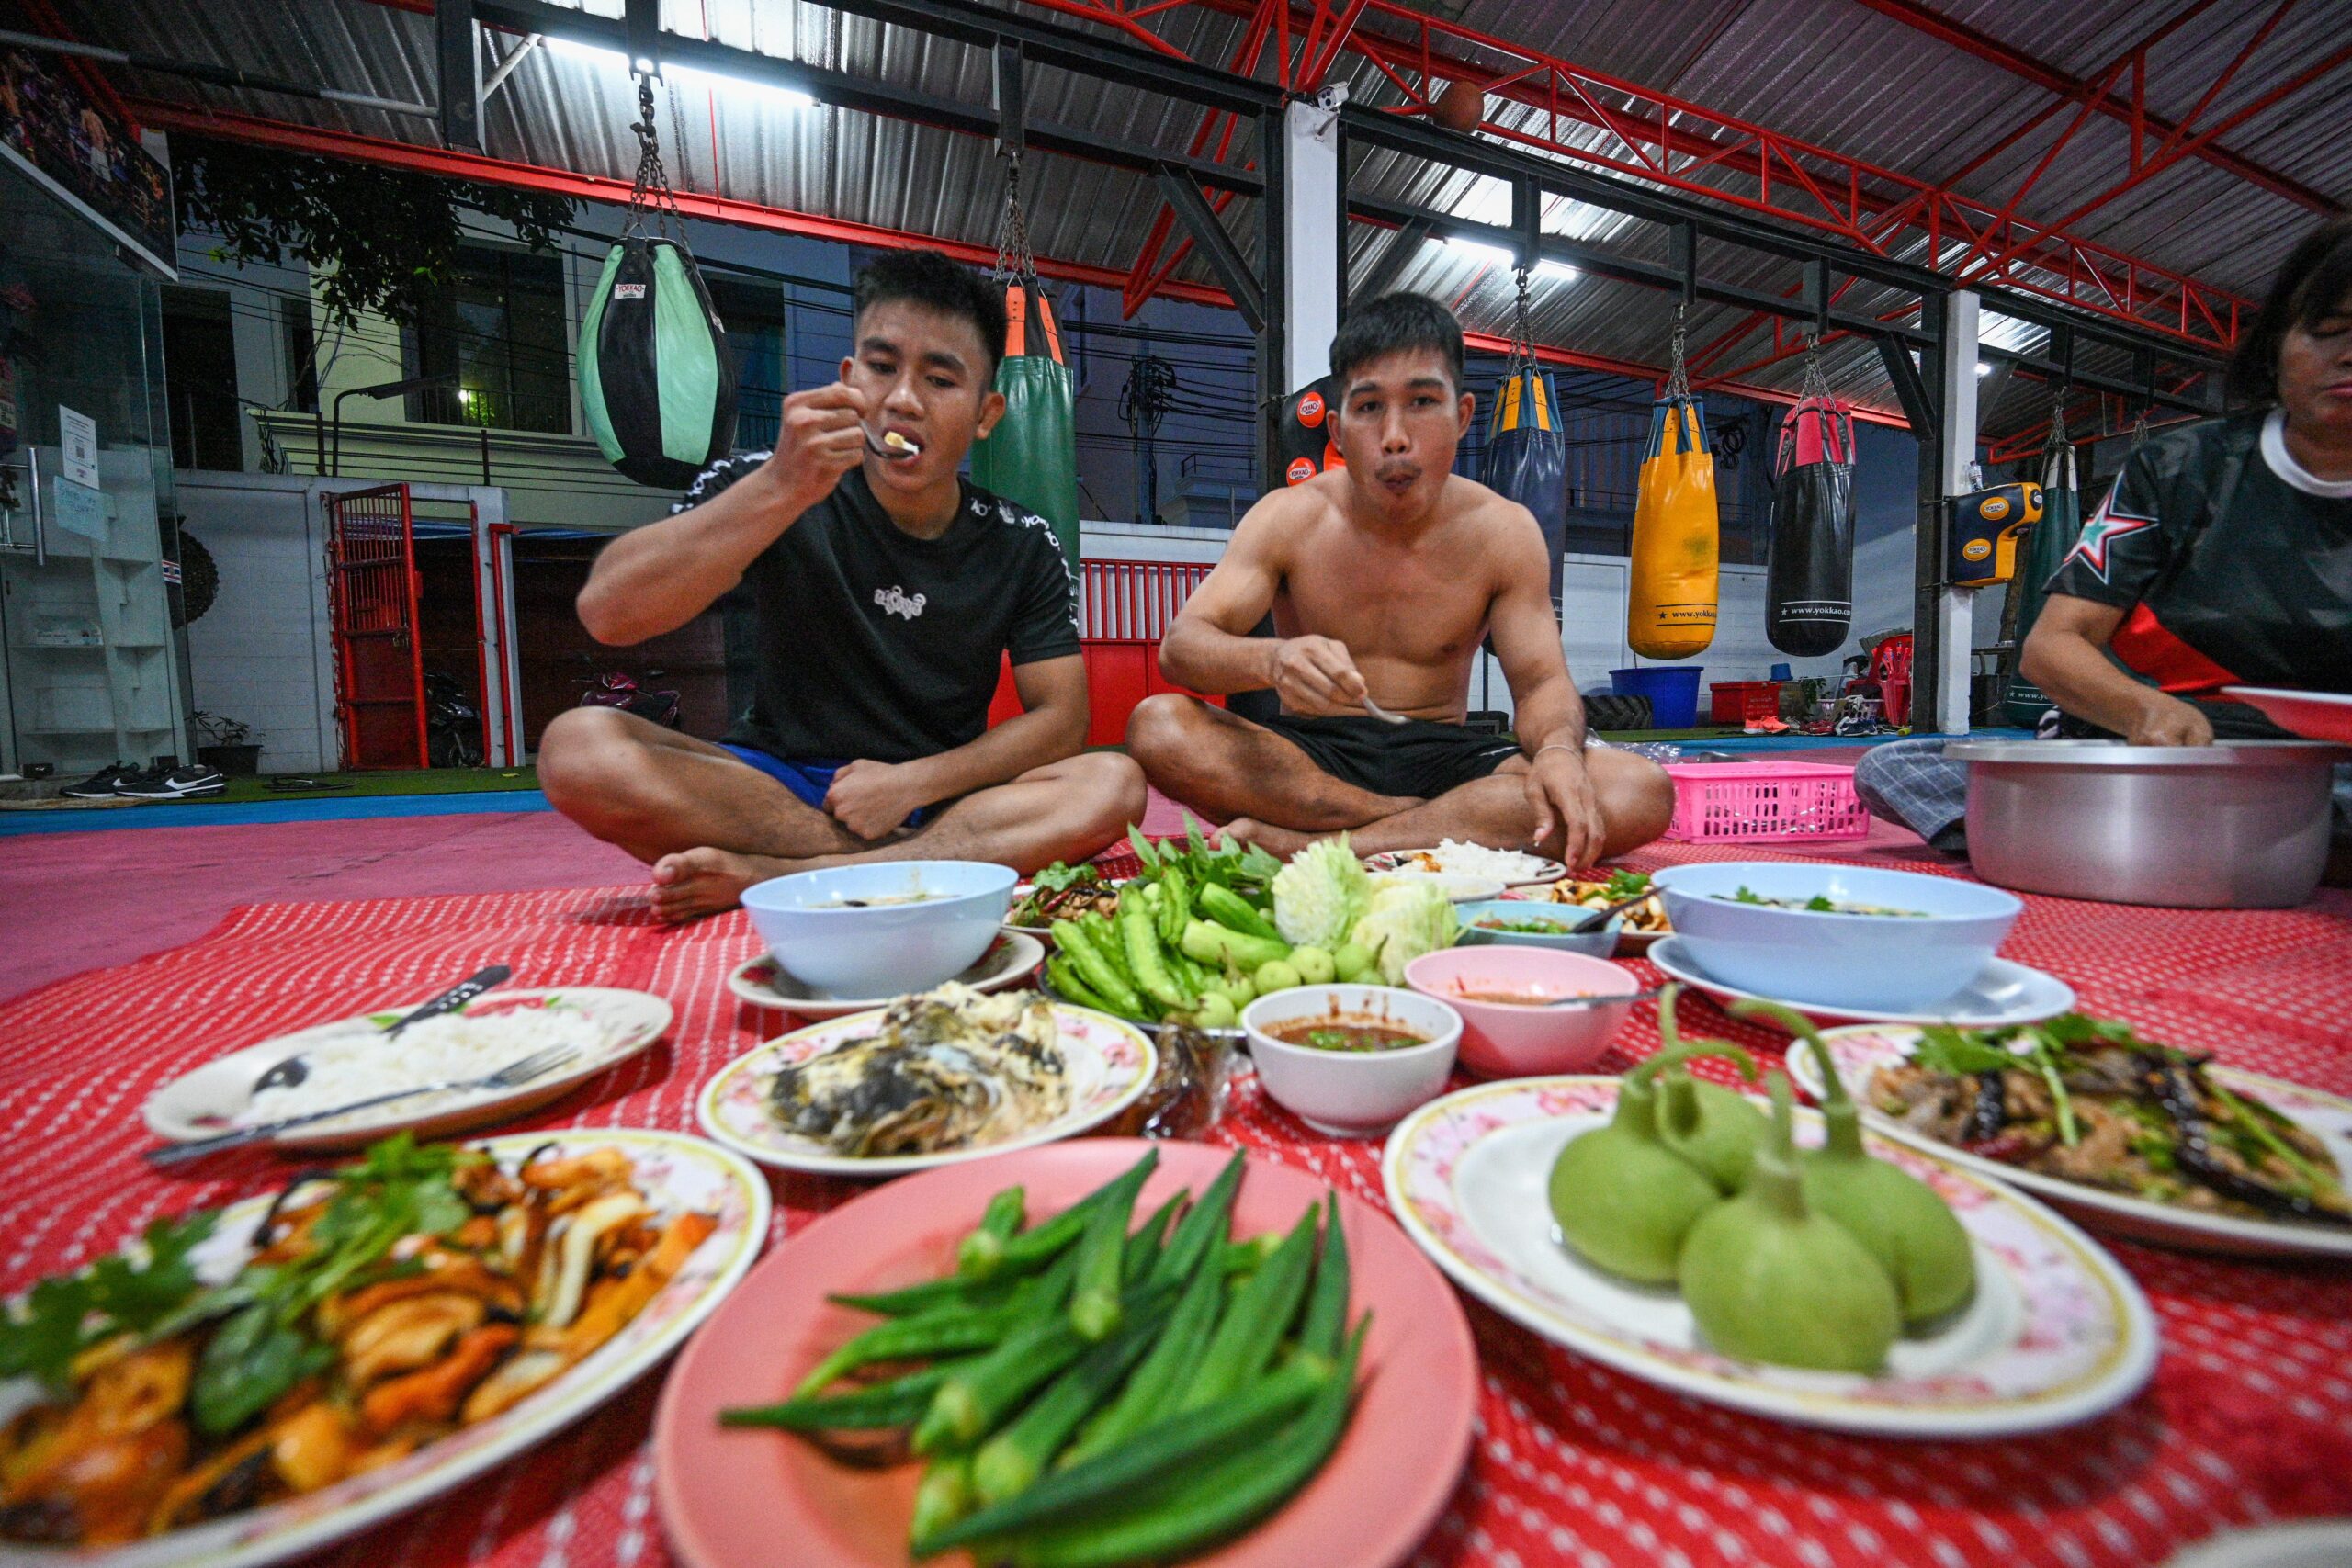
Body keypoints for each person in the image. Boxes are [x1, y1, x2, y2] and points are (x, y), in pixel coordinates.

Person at [539, 249, 1144, 921]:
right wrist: (780, 489)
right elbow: (608, 613)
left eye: (941, 380)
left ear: (986, 413)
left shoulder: (1021, 541)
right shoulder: (771, 482)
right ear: (850, 378)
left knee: (1111, 782)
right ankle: (893, 866)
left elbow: (1063, 721)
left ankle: (776, 876)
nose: (904, 399)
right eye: (883, 368)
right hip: (775, 783)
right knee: (578, 751)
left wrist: (915, 780)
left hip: (942, 792)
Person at [1855, 212, 2352, 869]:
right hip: (2152, 757)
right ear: (2275, 347)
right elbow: (2052, 647)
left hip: (2320, 771)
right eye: (2331, 331)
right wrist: (2143, 711)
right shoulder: (2182, 471)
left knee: (2321, 801)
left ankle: (2087, 842)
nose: (2348, 355)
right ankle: (2258, 847)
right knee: (1899, 767)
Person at [1125, 293, 1676, 868]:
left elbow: (1540, 684)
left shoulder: (1505, 531)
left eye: (1421, 402)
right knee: (1158, 728)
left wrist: (1561, 752)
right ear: (1336, 429)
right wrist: (1273, 660)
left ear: (1461, 416)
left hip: (1451, 759)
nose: (1394, 435)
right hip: (1310, 759)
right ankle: (1425, 827)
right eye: (1368, 408)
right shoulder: (1287, 516)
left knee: (1636, 788)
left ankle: (1322, 845)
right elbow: (1182, 647)